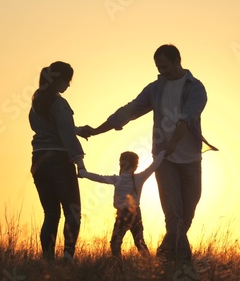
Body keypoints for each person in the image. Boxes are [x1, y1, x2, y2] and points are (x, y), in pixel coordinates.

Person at [83, 44, 217, 262]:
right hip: (164, 161)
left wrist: (173, 142)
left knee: (187, 214)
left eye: (165, 66)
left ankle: (165, 253)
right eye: (158, 67)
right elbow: (130, 110)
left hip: (191, 159)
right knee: (173, 214)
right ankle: (181, 262)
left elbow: (188, 118)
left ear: (177, 61)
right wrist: (98, 130)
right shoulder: (155, 89)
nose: (162, 71)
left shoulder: (195, 88)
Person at [29, 61, 89, 263]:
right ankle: (68, 257)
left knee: (51, 214)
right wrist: (79, 163)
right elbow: (65, 135)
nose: (69, 85)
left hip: (38, 161)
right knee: (73, 211)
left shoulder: (37, 101)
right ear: (60, 80)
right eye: (68, 81)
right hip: (59, 160)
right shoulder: (59, 103)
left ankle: (47, 260)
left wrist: (79, 130)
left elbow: (53, 128)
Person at [78, 150, 165, 257]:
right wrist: (163, 151)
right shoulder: (139, 178)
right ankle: (149, 264)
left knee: (115, 243)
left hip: (122, 214)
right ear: (135, 165)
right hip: (136, 214)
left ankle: (119, 265)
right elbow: (154, 166)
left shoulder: (117, 179)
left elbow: (97, 177)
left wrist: (82, 172)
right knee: (139, 242)